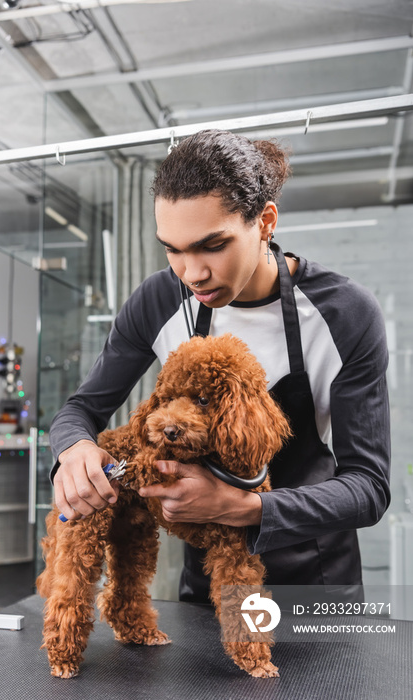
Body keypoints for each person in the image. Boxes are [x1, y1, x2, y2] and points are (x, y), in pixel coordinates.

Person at [49, 129, 390, 604]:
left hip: (315, 576)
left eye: (212, 245)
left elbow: (368, 487)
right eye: (172, 249)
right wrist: (74, 449)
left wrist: (245, 507)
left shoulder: (344, 313)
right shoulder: (159, 298)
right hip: (209, 582)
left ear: (265, 222)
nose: (191, 273)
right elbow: (82, 409)